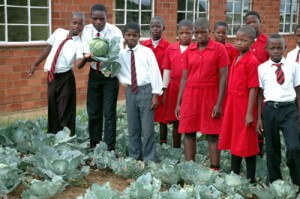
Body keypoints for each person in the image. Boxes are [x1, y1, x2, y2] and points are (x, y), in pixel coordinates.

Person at [175, 18, 229, 171]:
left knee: (212, 134)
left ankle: (214, 169)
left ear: (209, 32)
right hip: (190, 96)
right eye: (196, 33)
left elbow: (224, 77)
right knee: (189, 132)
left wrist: (219, 104)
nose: (199, 36)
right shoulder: (190, 51)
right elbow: (184, 78)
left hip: (210, 95)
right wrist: (179, 103)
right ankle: (190, 168)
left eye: (202, 32)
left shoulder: (219, 49)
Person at [28, 12, 85, 136]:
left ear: (83, 27)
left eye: (80, 24)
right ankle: (54, 135)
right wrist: (35, 64)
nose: (77, 26)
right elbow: (48, 49)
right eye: (75, 23)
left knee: (65, 108)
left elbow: (79, 63)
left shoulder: (79, 44)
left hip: (66, 77)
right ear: (70, 23)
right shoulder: (59, 32)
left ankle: (67, 137)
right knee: (52, 105)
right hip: (52, 76)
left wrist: (86, 58)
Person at [256, 33, 300, 188]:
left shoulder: (293, 66)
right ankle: (276, 182)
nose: (276, 51)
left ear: (284, 48)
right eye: (272, 48)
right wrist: (259, 118)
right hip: (270, 110)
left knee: (294, 146)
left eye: (279, 48)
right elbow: (260, 94)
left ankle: (297, 182)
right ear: (266, 49)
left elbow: (298, 90)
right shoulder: (262, 69)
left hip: (289, 110)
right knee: (272, 149)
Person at [218, 25, 259, 183]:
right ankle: (234, 174)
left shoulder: (252, 61)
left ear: (252, 42)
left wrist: (249, 113)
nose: (239, 43)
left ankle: (251, 179)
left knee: (247, 141)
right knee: (234, 139)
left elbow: (253, 89)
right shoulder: (236, 57)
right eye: (237, 39)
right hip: (233, 104)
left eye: (244, 40)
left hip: (244, 105)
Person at [117, 22, 163, 162]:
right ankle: (134, 157)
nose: (131, 38)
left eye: (134, 35)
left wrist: (155, 94)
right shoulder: (121, 54)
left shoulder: (146, 52)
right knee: (133, 128)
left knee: (148, 128)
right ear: (124, 36)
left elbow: (155, 72)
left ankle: (149, 159)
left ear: (139, 36)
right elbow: (116, 70)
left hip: (146, 90)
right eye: (128, 35)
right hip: (131, 91)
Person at [80, 4, 123, 150]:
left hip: (110, 75)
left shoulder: (115, 32)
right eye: (95, 19)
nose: (98, 22)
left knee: (109, 113)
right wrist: (96, 56)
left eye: (102, 19)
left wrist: (94, 56)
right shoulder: (86, 31)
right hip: (94, 75)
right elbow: (86, 55)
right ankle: (94, 144)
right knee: (93, 111)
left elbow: (117, 55)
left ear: (107, 17)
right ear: (91, 17)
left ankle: (109, 147)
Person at [161, 19, 193, 148]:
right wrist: (164, 88)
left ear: (192, 34)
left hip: (190, 88)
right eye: (181, 33)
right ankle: (176, 147)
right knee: (175, 119)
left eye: (188, 33)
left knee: (188, 119)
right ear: (177, 33)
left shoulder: (195, 49)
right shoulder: (171, 49)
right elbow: (167, 69)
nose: (184, 35)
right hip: (174, 87)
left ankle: (189, 148)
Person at [142, 16, 171, 145]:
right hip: (147, 86)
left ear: (163, 28)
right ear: (149, 28)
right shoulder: (144, 46)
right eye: (152, 26)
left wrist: (164, 88)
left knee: (163, 117)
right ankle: (149, 141)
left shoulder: (168, 47)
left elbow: (169, 69)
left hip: (162, 86)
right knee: (148, 115)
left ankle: (163, 144)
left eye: (158, 26)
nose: (155, 29)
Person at [245, 10, 268, 156]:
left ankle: (260, 152)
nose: (252, 25)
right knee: (248, 120)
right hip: (247, 90)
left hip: (263, 90)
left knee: (261, 120)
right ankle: (248, 149)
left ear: (260, 22)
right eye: (248, 23)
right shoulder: (244, 42)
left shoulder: (268, 42)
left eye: (254, 22)